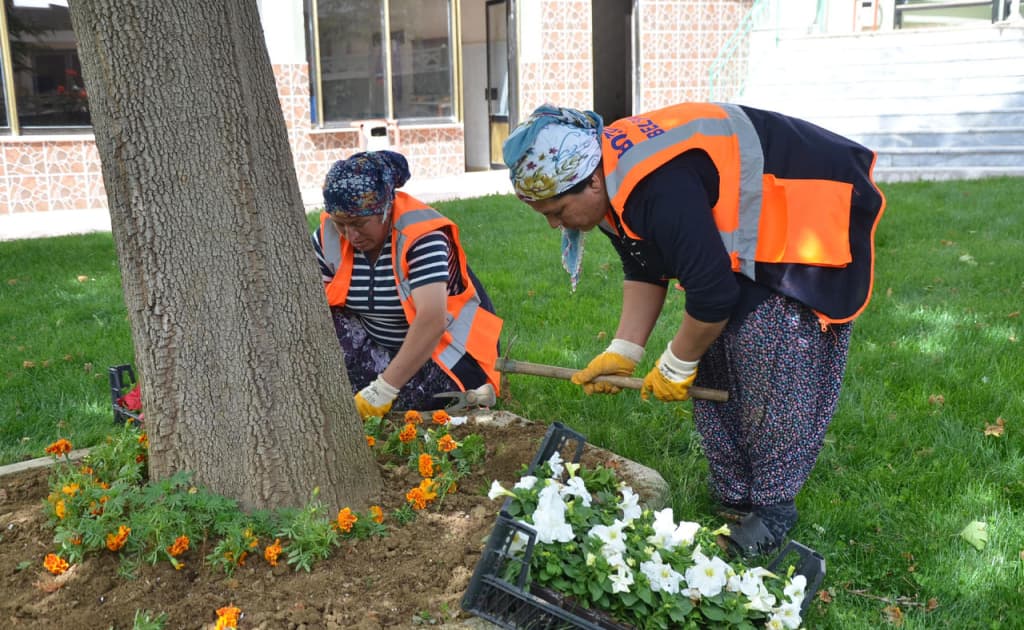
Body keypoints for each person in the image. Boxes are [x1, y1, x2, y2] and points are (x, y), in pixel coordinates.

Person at [502, 103, 886, 557]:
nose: (553, 224)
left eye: (558, 210)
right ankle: (735, 495)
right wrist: (625, 350)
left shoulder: (655, 186)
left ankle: (773, 511)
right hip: (745, 234)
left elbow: (713, 297)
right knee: (715, 357)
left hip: (801, 217)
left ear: (590, 180)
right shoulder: (611, 183)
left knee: (773, 363)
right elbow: (644, 263)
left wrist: (676, 362)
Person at [312, 150, 503, 420]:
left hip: (446, 358)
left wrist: (383, 389)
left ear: (386, 209)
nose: (350, 235)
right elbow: (310, 310)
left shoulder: (421, 236)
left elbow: (431, 320)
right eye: (341, 224)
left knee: (409, 407)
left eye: (359, 224)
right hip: (384, 348)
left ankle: (453, 399)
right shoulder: (329, 236)